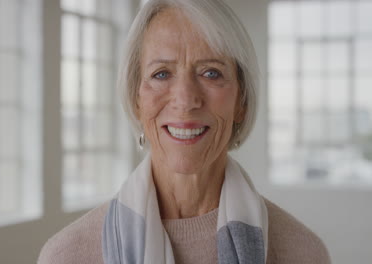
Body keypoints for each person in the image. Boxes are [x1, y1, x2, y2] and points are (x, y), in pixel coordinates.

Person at [38, 0, 331, 263]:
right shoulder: (66, 256)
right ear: (136, 99)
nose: (186, 99)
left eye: (211, 72)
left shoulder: (303, 254)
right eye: (161, 74)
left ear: (241, 101)